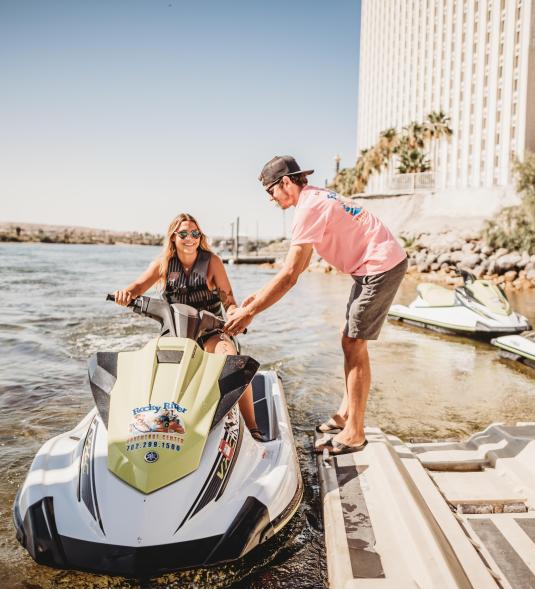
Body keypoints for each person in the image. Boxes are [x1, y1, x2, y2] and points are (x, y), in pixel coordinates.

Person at [224, 156, 407, 455]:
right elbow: (294, 268)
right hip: (371, 266)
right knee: (348, 338)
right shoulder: (314, 199)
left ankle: (355, 432)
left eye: (270, 191)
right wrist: (255, 298)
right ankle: (346, 414)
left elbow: (290, 275)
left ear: (285, 183)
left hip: (381, 266)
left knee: (354, 342)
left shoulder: (309, 208)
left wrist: (249, 313)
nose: (270, 199)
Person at [113, 213, 263, 441]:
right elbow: (136, 287)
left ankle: (253, 429)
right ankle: (149, 420)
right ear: (173, 237)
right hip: (176, 333)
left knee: (233, 361)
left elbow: (229, 301)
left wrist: (234, 314)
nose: (190, 238)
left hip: (212, 331)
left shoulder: (212, 262)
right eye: (183, 233)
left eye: (195, 233)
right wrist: (125, 294)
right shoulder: (162, 264)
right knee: (152, 365)